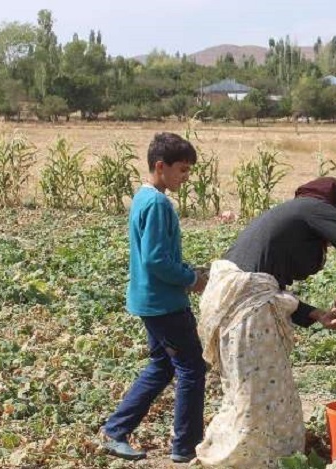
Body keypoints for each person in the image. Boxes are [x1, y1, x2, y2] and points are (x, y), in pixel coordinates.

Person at [195, 177, 336, 468]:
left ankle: (265, 457)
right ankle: (247, 460)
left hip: (237, 305)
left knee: (254, 390)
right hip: (246, 312)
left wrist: (315, 314)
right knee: (258, 397)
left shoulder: (294, 214)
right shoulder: (314, 208)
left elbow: (268, 287)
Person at [101, 132, 208, 463]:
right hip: (165, 305)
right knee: (192, 368)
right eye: (182, 170)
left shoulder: (143, 198)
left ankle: (116, 430)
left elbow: (158, 255)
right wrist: (191, 279)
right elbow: (156, 260)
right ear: (161, 166)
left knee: (162, 366)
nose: (185, 177)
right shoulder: (159, 204)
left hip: (149, 300)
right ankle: (186, 446)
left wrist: (188, 268)